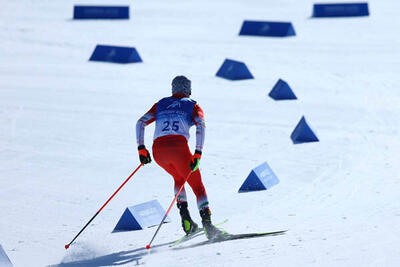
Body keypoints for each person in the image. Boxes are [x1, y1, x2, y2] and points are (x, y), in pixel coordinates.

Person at [136, 75, 222, 240]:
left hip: (158, 152)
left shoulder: (160, 103)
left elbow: (140, 123)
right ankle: (208, 226)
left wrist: (141, 149)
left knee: (178, 178)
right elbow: (201, 126)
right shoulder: (193, 105)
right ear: (188, 90)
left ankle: (186, 220)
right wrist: (198, 153)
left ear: (173, 89)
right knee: (198, 187)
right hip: (178, 150)